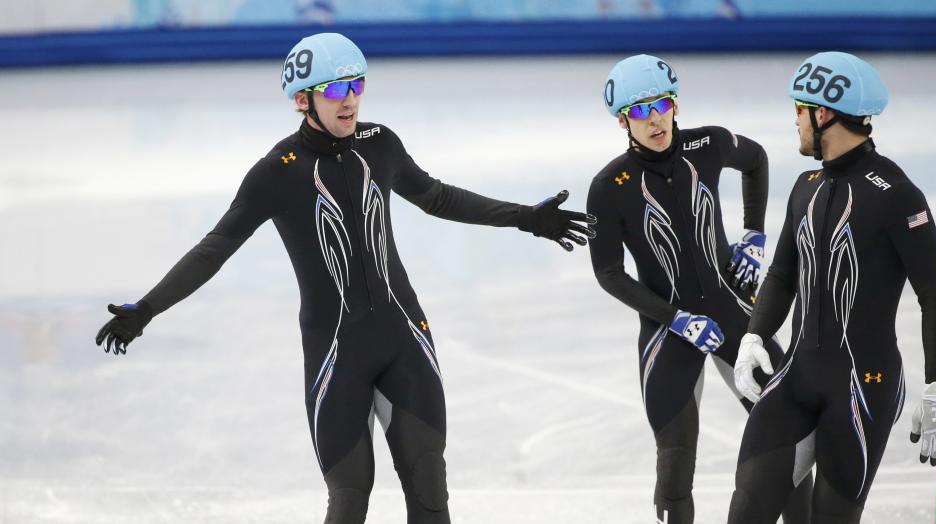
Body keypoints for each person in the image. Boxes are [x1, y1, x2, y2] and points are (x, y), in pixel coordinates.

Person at [94, 33, 596, 524]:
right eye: (335, 89)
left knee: (429, 490)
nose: (350, 98)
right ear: (301, 100)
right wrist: (148, 308)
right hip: (337, 353)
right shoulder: (276, 171)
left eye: (357, 84)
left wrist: (525, 217)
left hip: (405, 341)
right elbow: (215, 248)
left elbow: (438, 197)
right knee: (350, 499)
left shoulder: (381, 144)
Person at [730, 51, 936, 523]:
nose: (795, 120)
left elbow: (934, 294)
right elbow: (781, 274)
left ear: (825, 111)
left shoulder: (897, 194)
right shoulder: (805, 184)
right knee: (746, 512)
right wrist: (754, 335)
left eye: (799, 108)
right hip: (795, 377)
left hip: (862, 388)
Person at [587, 54, 812, 524]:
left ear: (675, 105)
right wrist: (676, 319)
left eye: (662, 105)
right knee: (675, 463)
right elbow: (608, 273)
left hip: (735, 313)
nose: (655, 120)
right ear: (622, 120)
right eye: (641, 111)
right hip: (669, 332)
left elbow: (756, 161)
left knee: (786, 439)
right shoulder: (609, 187)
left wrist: (754, 236)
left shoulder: (709, 142)